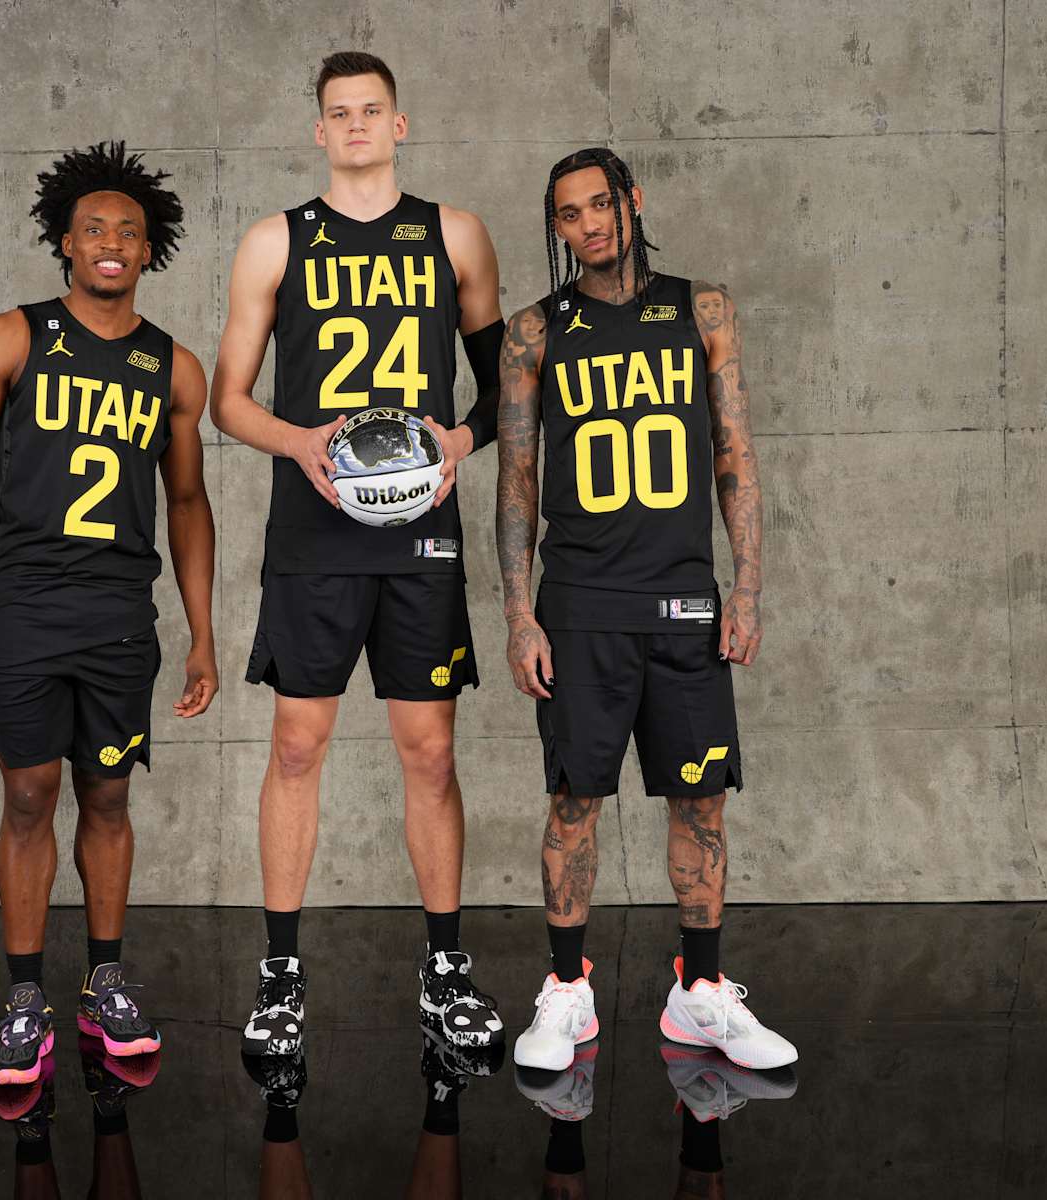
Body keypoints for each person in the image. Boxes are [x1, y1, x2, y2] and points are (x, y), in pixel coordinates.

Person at [210, 51, 508, 1055]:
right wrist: (300, 443)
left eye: (371, 110)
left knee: (431, 752)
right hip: (314, 531)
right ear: (319, 130)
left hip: (420, 532)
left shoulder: (454, 234)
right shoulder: (275, 241)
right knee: (297, 746)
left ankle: (445, 970)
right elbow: (228, 401)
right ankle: (281, 976)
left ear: (399, 124)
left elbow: (504, 388)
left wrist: (459, 442)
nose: (355, 126)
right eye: (338, 113)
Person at [0, 142, 217, 1087]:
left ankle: (105, 983)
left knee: (110, 795)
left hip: (121, 615)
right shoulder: (11, 338)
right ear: (65, 241)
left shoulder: (173, 367)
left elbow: (186, 503)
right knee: (27, 795)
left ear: (150, 249)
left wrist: (203, 633)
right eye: (94, 229)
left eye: (129, 231)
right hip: (25, 608)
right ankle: (23, 998)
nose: (111, 243)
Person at [496, 147, 796, 1072]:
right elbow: (517, 481)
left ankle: (700, 993)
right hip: (581, 607)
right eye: (569, 213)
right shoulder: (534, 331)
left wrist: (748, 587)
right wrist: (518, 613)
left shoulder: (703, 309)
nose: (588, 225)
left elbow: (735, 454)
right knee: (574, 801)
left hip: (684, 603)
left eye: (601, 204)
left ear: (632, 202)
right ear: (556, 227)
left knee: (701, 801)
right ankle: (566, 992)